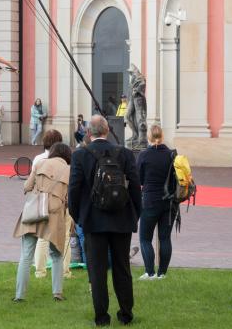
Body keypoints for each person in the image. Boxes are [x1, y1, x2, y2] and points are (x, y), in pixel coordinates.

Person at [68, 115, 142, 326]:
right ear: (107, 130)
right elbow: (135, 187)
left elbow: (73, 189)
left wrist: (78, 216)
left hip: (93, 220)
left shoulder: (81, 155)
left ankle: (102, 316)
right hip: (121, 218)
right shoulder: (125, 154)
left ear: (88, 133)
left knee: (97, 270)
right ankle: (126, 313)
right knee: (122, 268)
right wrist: (135, 213)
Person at [13, 142, 73, 301]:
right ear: (67, 155)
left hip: (35, 212)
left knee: (26, 256)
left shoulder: (39, 163)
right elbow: (71, 197)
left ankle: (19, 295)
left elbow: (26, 186)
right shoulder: (68, 170)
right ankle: (57, 293)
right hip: (55, 214)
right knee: (57, 255)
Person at [136, 124, 176, 280]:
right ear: (162, 136)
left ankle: (150, 272)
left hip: (150, 201)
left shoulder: (144, 155)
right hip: (169, 202)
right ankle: (162, 273)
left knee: (145, 238)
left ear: (149, 137)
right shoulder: (171, 155)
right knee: (165, 238)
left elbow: (138, 179)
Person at [31, 130, 72, 279]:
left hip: (42, 202)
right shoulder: (66, 160)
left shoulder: (38, 159)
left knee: (42, 237)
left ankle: (40, 271)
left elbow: (32, 182)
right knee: (65, 236)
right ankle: (65, 271)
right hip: (62, 202)